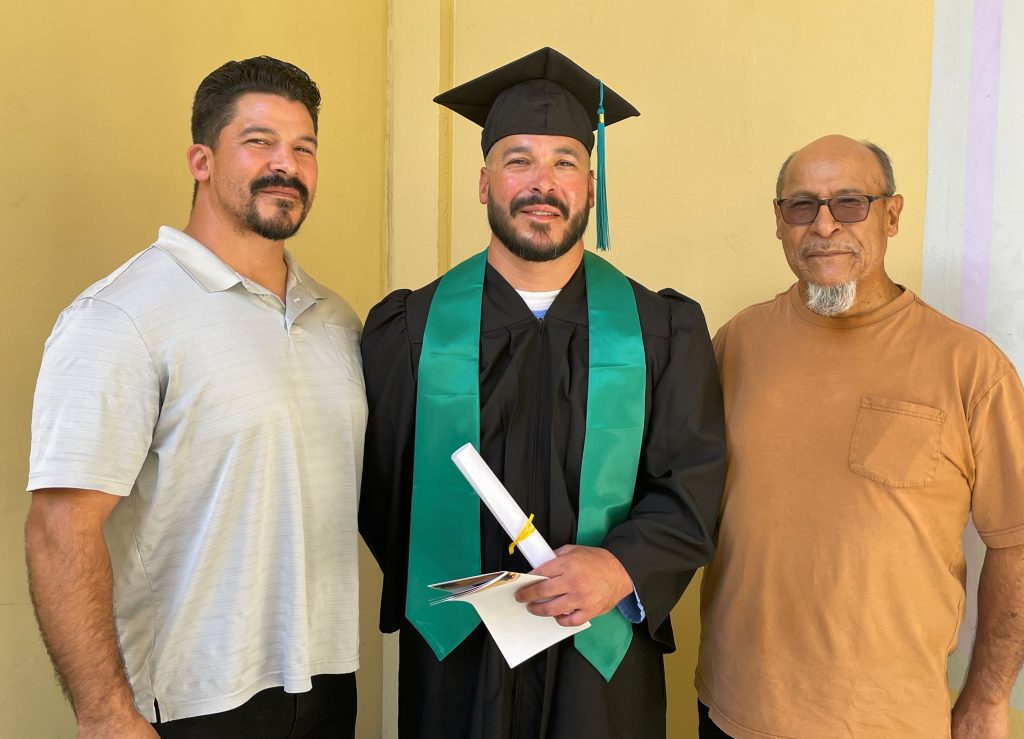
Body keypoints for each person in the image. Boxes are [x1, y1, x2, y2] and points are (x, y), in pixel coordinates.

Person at [359, 47, 726, 739]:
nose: (542, 183)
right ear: (484, 182)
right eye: (518, 160)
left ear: (590, 185)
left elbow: (693, 483)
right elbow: (381, 489)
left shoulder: (661, 330)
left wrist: (621, 567)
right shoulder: (409, 330)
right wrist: (463, 572)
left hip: (600, 658)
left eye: (564, 162)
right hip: (461, 654)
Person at [24, 56, 366, 738]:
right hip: (188, 702)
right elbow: (59, 528)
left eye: (304, 148)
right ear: (201, 161)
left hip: (327, 682)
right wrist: (104, 714)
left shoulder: (335, 319)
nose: (286, 164)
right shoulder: (119, 317)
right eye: (259, 141)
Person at [696, 134, 1024, 739]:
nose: (824, 226)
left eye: (850, 202)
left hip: (888, 719)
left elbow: (1016, 544)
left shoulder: (970, 368)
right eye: (802, 205)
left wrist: (985, 697)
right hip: (732, 708)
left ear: (891, 215)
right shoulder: (736, 343)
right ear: (779, 221)